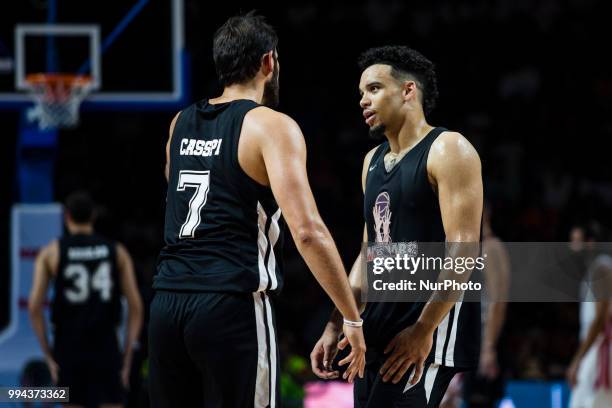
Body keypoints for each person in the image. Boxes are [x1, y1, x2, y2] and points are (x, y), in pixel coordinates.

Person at [149, 12, 365, 408]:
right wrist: (351, 318)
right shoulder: (270, 125)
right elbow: (308, 232)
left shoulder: (179, 123)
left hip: (167, 306)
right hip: (230, 304)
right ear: (269, 61)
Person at [311, 45, 483, 407]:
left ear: (408, 91)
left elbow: (465, 248)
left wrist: (424, 329)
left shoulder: (448, 148)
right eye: (361, 93)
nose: (363, 100)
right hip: (379, 328)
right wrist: (338, 321)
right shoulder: (371, 161)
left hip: (425, 331)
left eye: (373, 89)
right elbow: (368, 254)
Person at [29, 191, 143, 408]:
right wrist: (127, 358)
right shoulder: (116, 251)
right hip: (106, 347)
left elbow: (35, 307)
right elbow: (136, 307)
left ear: (67, 217)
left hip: (68, 348)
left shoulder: (51, 253)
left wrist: (48, 354)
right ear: (93, 216)